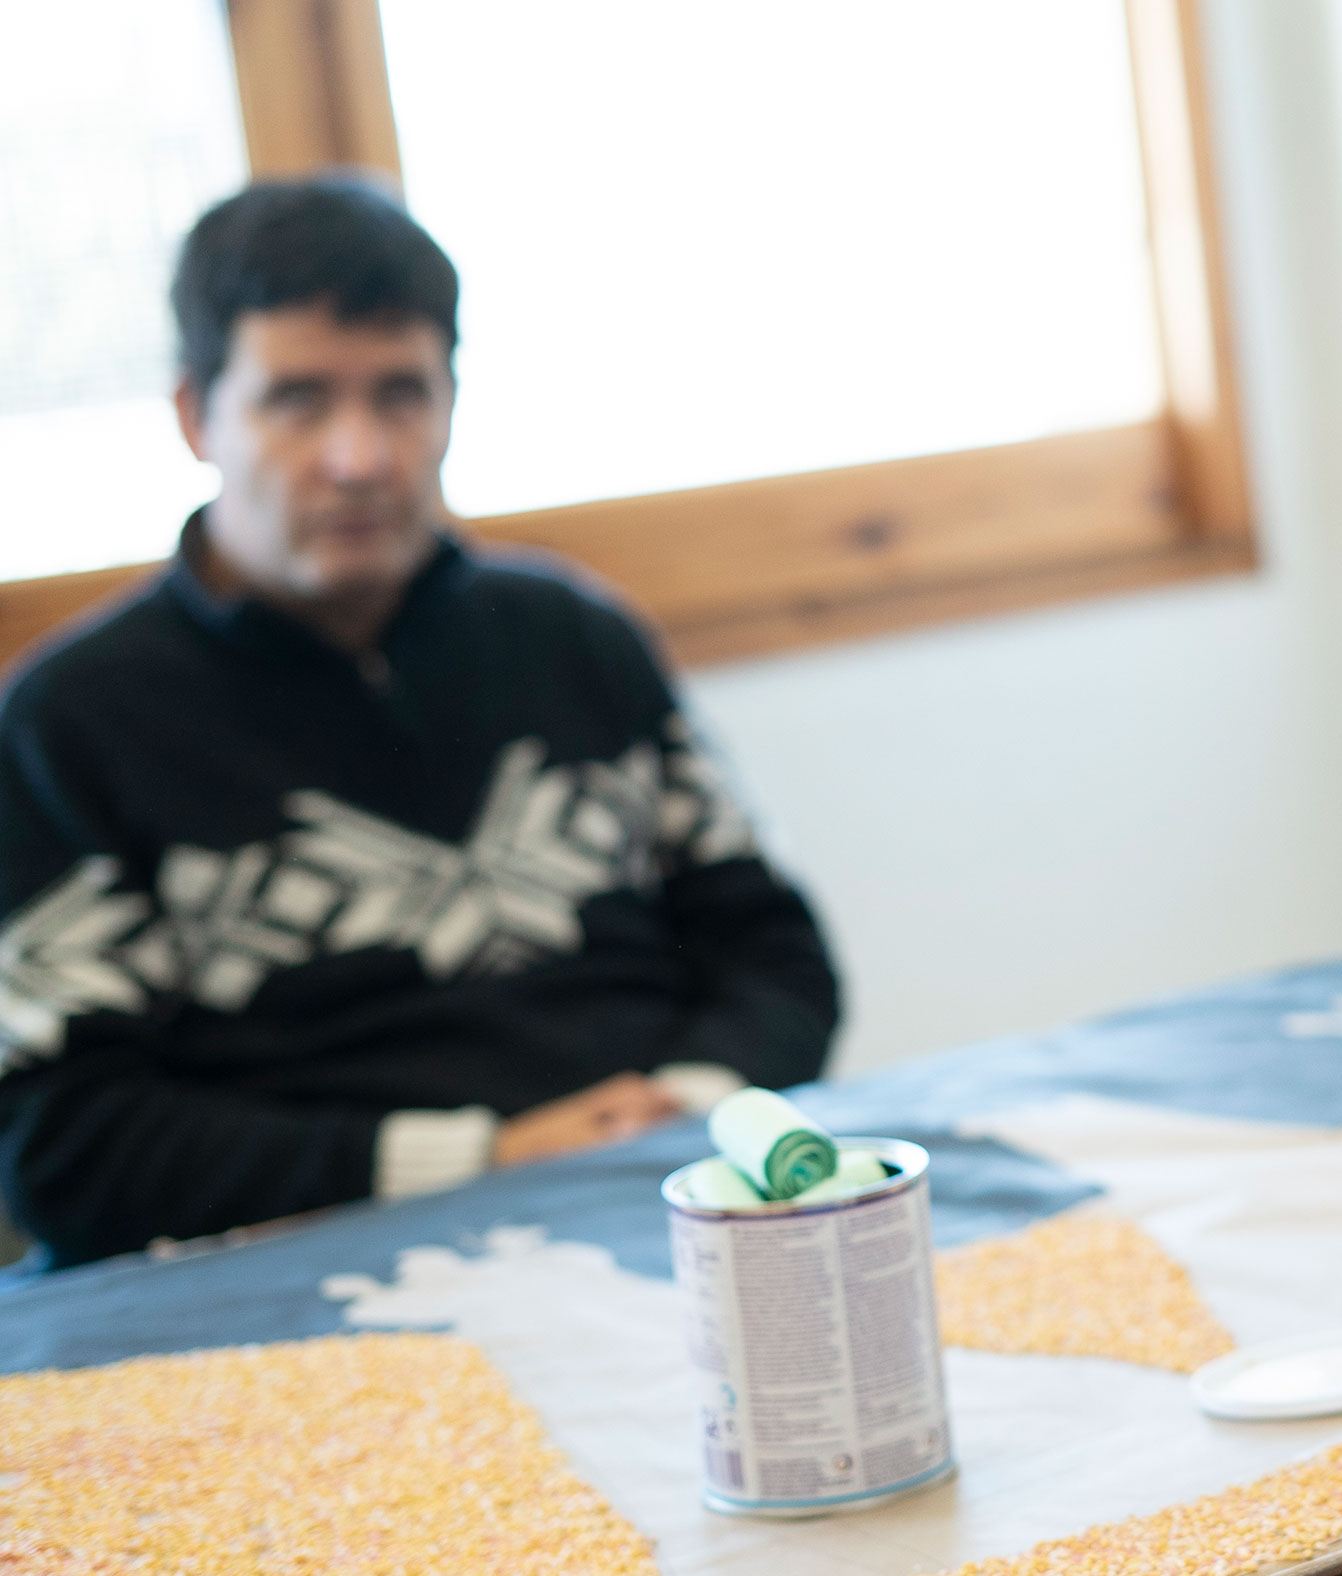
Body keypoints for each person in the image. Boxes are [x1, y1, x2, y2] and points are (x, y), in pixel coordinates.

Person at [0, 179, 841, 1270]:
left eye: (401, 394)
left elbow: (776, 955)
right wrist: (478, 1159)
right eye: (298, 400)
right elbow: (61, 1142)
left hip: (661, 1193)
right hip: (312, 1262)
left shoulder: (574, 636)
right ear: (197, 416)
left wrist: (684, 1103)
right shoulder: (67, 723)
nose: (360, 457)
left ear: (451, 401)